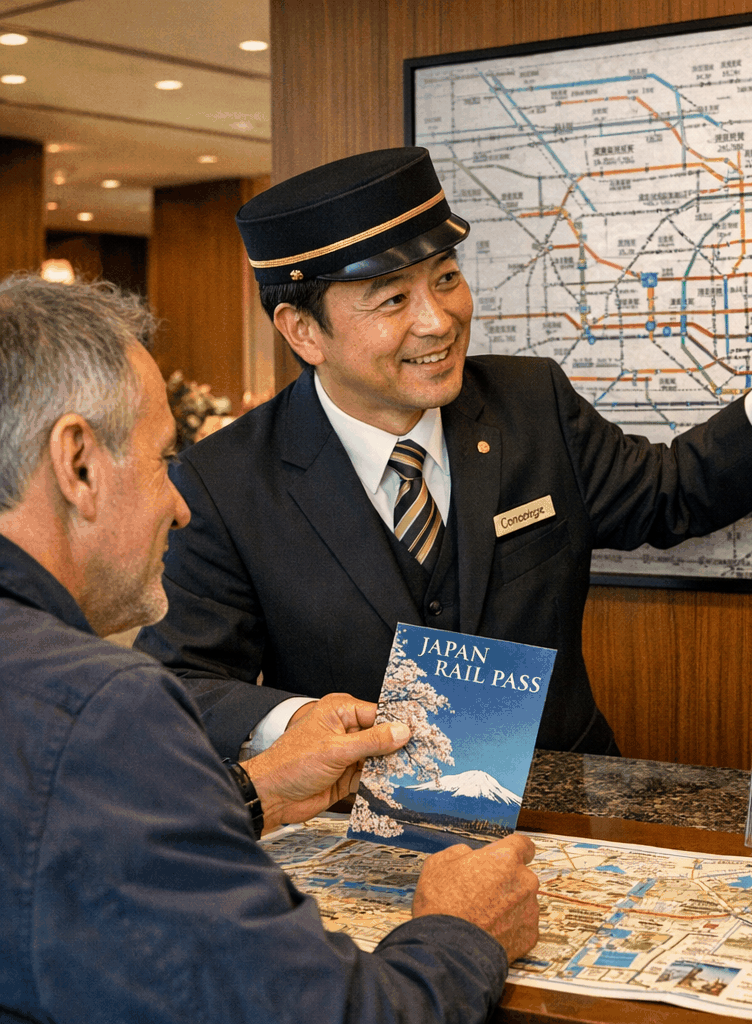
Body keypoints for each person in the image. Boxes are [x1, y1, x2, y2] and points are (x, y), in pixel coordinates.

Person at [135, 146, 752, 759]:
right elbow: (181, 682)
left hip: (568, 802)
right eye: (394, 300)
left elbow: (668, 493)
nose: (439, 321)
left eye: (446, 279)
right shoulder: (226, 481)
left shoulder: (529, 405)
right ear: (302, 331)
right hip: (358, 822)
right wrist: (307, 723)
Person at [0, 274, 539, 1024]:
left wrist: (252, 794)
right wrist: (464, 931)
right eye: (161, 462)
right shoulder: (99, 706)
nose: (180, 507)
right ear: (78, 464)